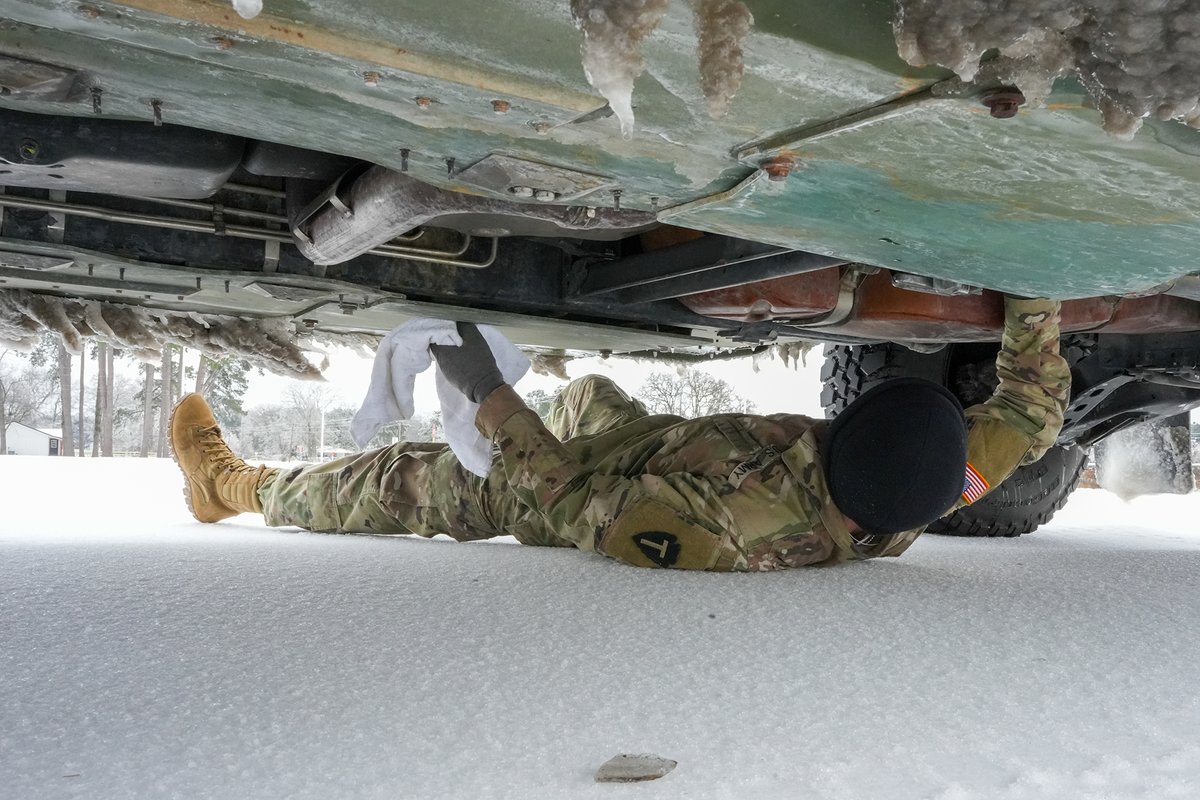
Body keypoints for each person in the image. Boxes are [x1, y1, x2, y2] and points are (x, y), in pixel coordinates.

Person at [169, 296, 1070, 571]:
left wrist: (485, 396)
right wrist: (1037, 292)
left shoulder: (725, 533)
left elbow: (560, 500)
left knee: (401, 481)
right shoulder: (936, 483)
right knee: (592, 389)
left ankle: (235, 487)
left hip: (575, 484)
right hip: (650, 444)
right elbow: (1031, 408)